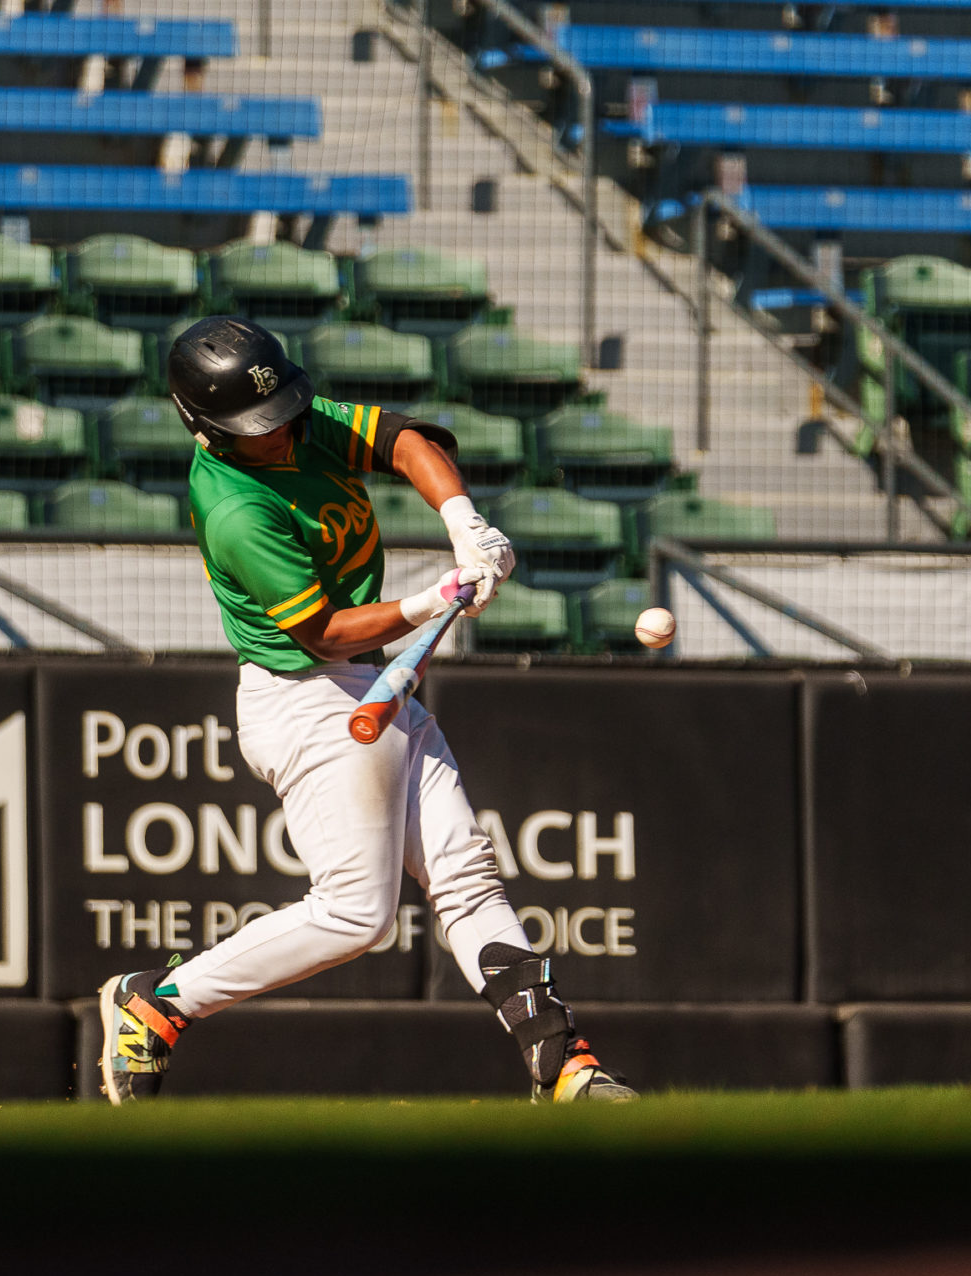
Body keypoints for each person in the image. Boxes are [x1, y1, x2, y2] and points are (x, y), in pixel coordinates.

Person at [94, 316, 634, 1105]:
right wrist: (429, 601)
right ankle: (158, 1002)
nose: (280, 433)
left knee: (465, 872)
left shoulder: (297, 420)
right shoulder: (237, 506)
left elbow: (406, 440)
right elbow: (321, 631)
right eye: (258, 426)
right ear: (206, 426)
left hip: (370, 683)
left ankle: (562, 1065)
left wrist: (464, 522)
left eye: (282, 413)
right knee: (356, 914)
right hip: (307, 698)